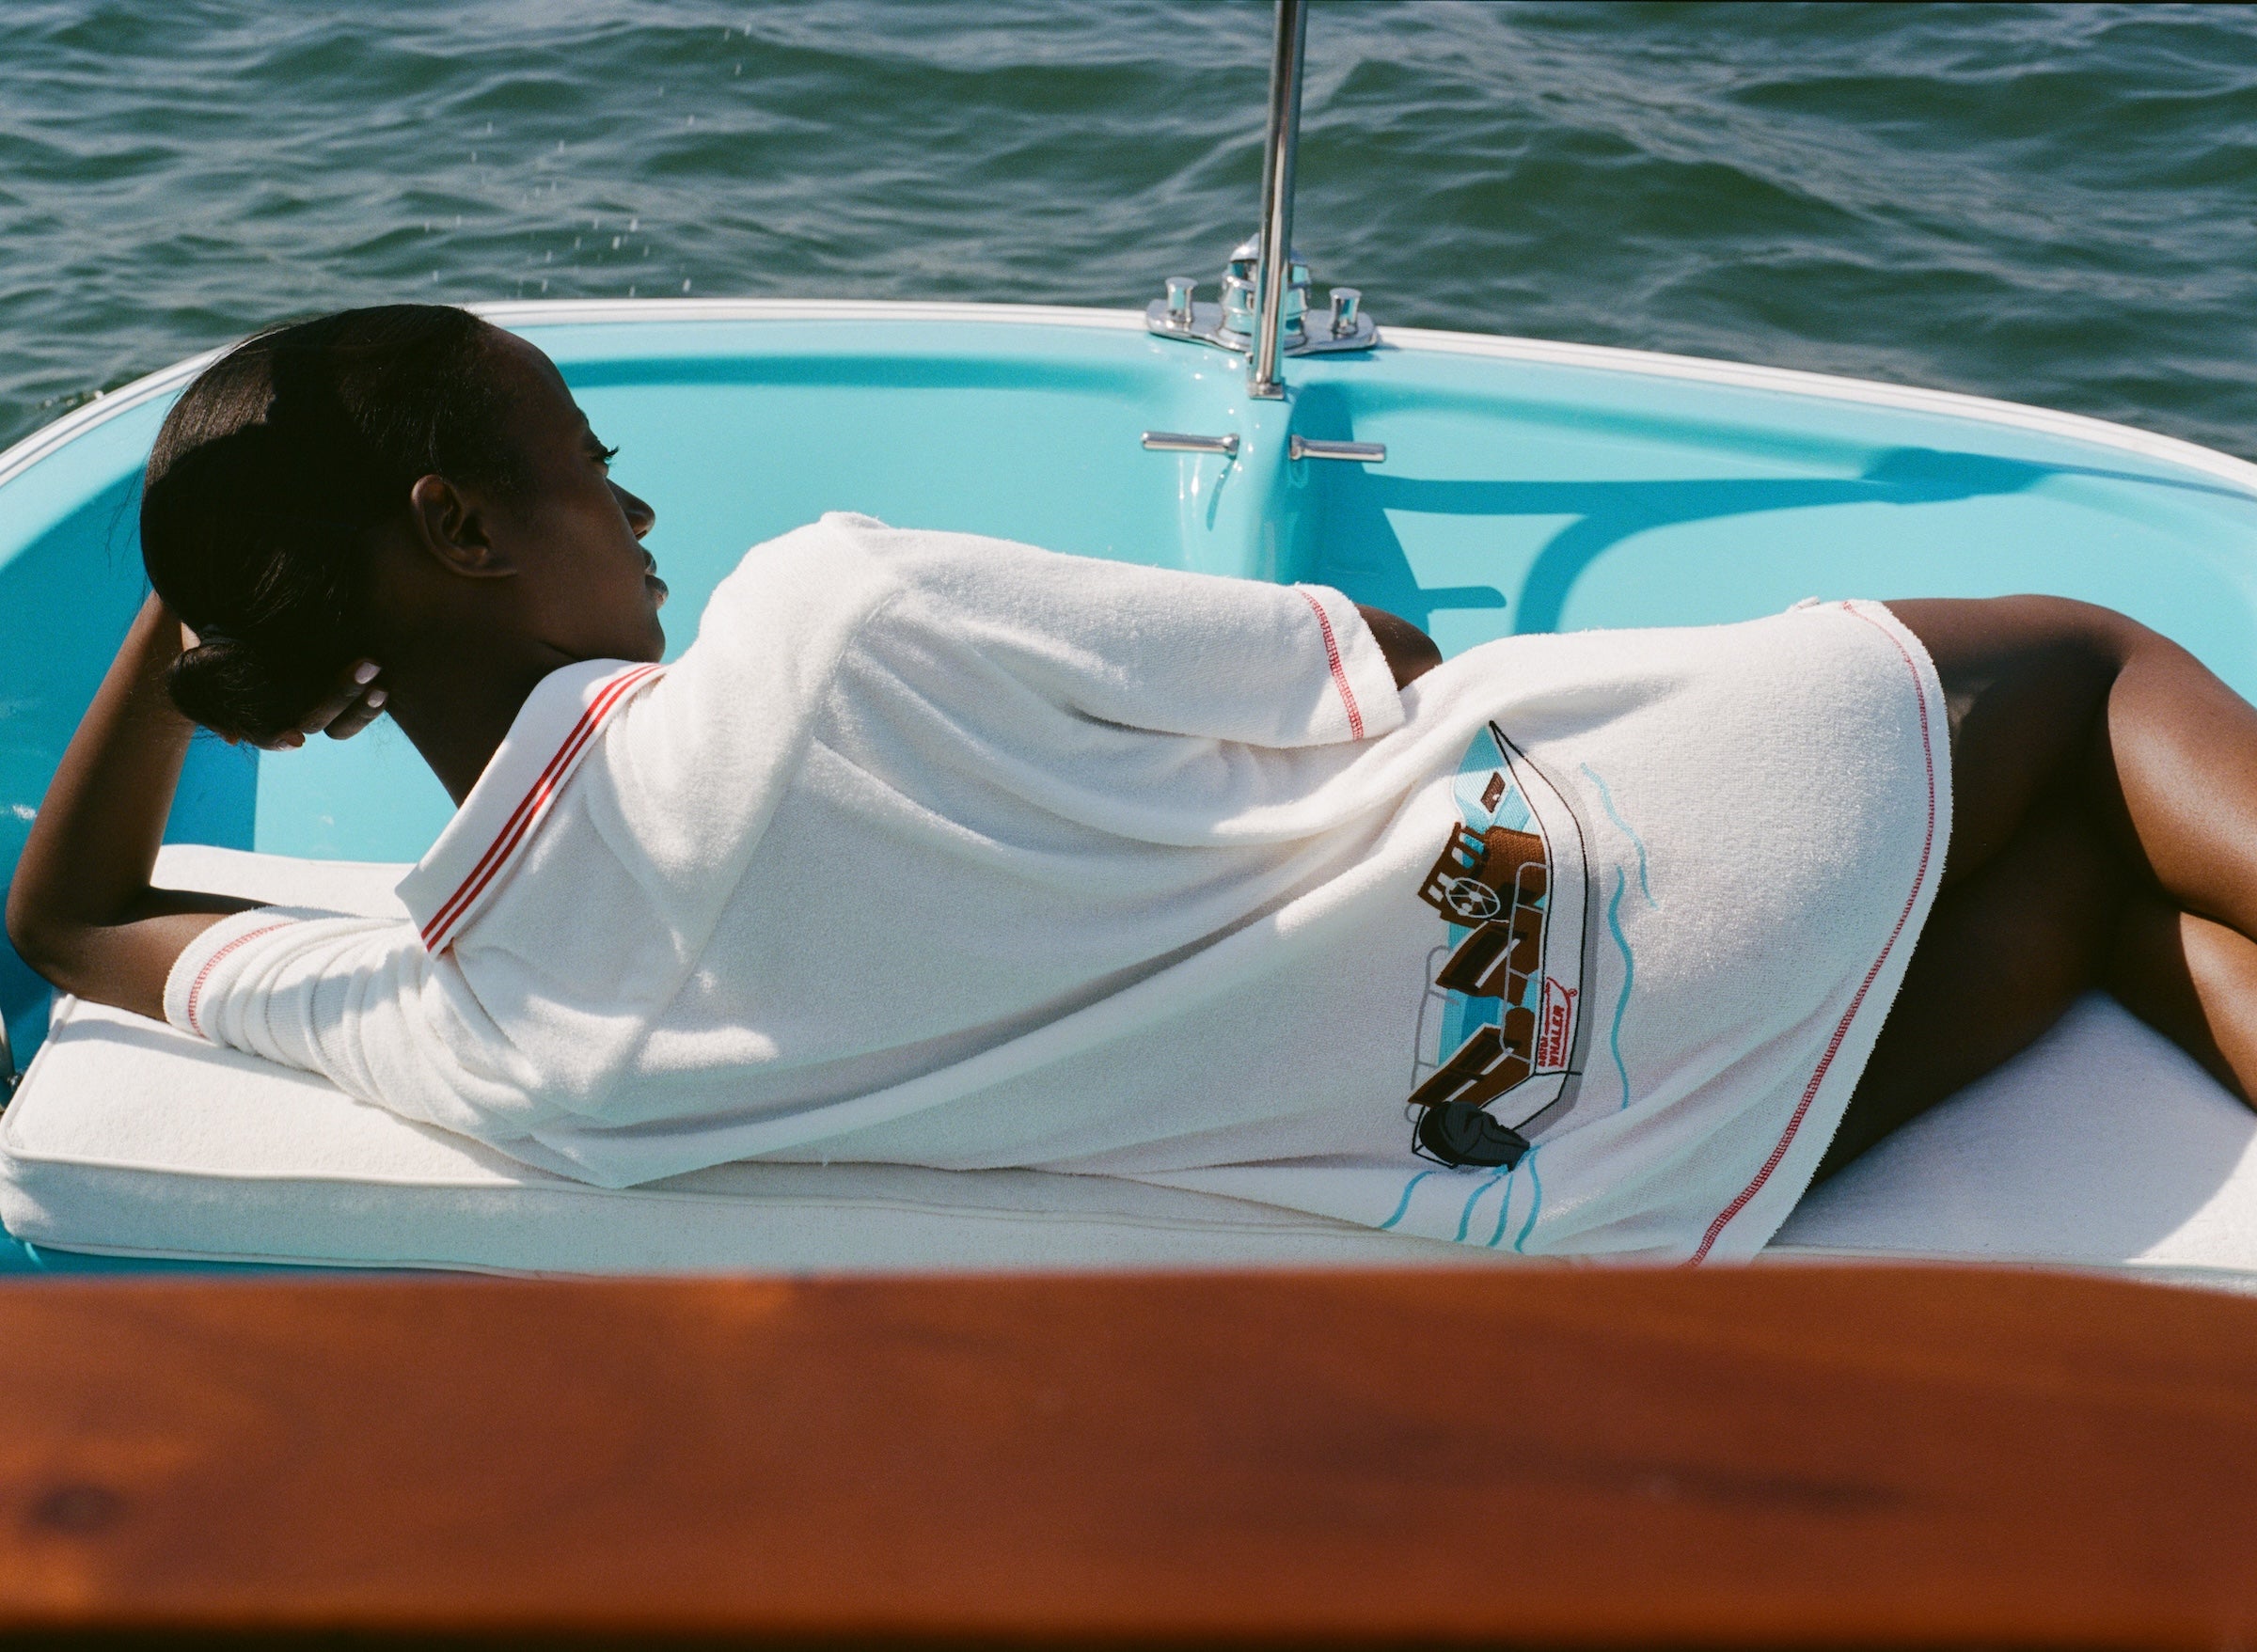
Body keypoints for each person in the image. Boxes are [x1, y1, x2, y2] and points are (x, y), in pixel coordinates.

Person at [8, 304, 2256, 1262]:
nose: (647, 519)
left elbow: (73, 925)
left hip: (1614, 1162)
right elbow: (1371, 665)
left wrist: (218, 582)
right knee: (2083, 662)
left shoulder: (482, 1034)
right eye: (592, 474)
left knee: (2084, 927)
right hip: (1619, 867)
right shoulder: (828, 621)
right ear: (466, 531)